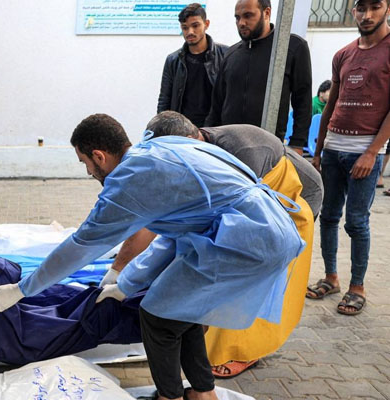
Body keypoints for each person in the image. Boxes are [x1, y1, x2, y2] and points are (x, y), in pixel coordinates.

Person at [0, 113, 305, 400]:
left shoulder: (129, 182)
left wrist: (22, 289)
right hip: (258, 229)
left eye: (85, 163)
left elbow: (79, 247)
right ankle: (203, 393)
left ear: (99, 156)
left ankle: (170, 397)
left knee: (156, 315)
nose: (87, 172)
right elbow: (169, 238)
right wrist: (126, 285)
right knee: (183, 309)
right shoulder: (152, 152)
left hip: (246, 239)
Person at [133, 111, 320, 378]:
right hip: (255, 208)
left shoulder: (242, 153)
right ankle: (212, 360)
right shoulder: (195, 148)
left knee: (255, 284)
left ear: (192, 139)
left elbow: (230, 223)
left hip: (292, 205)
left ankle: (244, 352)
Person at [307, 0, 390, 316]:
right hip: (332, 151)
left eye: (375, 6)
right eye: (360, 7)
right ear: (353, 11)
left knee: (357, 221)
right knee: (328, 216)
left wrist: (372, 152)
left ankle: (358, 287)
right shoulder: (343, 54)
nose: (367, 14)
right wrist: (318, 151)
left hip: (364, 152)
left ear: (387, 8)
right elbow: (331, 104)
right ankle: (331, 277)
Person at [205, 0, 313, 154]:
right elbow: (217, 104)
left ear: (266, 13)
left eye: (248, 15)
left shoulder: (291, 47)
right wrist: (208, 138)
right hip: (228, 148)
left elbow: (302, 100)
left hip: (268, 149)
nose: (241, 22)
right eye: (237, 17)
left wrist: (297, 143)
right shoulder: (231, 54)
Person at [157, 3, 228, 127]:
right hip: (182, 130)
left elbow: (230, 98)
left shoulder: (226, 55)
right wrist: (162, 132)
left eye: (195, 26)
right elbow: (164, 100)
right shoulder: (173, 60)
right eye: (185, 27)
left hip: (215, 129)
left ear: (206, 24)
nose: (190, 32)